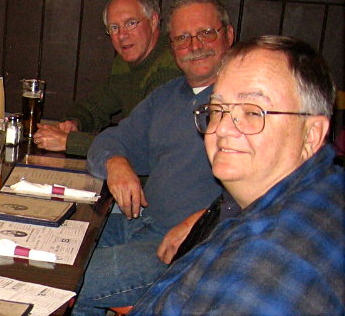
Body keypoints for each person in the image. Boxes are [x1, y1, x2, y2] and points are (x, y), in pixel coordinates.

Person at [131, 35, 343, 315]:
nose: (222, 128)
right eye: (217, 109)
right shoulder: (318, 187)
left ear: (312, 134)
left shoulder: (270, 265)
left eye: (253, 112)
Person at [74, 0, 234, 314]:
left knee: (68, 278)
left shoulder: (245, 104)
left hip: (183, 249)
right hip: (137, 222)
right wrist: (116, 162)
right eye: (182, 38)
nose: (193, 45)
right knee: (56, 253)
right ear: (171, 45)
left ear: (228, 36)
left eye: (206, 33)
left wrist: (205, 219)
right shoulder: (168, 96)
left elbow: (273, 189)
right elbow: (105, 143)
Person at [33, 0, 182, 155]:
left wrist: (69, 142)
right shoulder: (126, 61)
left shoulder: (168, 68)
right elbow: (95, 106)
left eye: (131, 23)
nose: (122, 35)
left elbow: (143, 145)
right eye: (114, 27)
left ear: (153, 21)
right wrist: (74, 122)